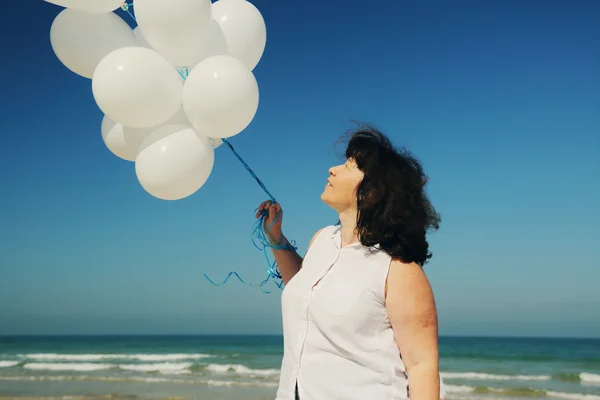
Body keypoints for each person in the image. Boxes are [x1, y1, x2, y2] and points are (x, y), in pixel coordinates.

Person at [256, 125, 441, 400]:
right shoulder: (321, 239)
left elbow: (422, 367)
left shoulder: (398, 269)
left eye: (348, 165)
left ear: (372, 191)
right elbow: (305, 290)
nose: (333, 169)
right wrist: (275, 237)